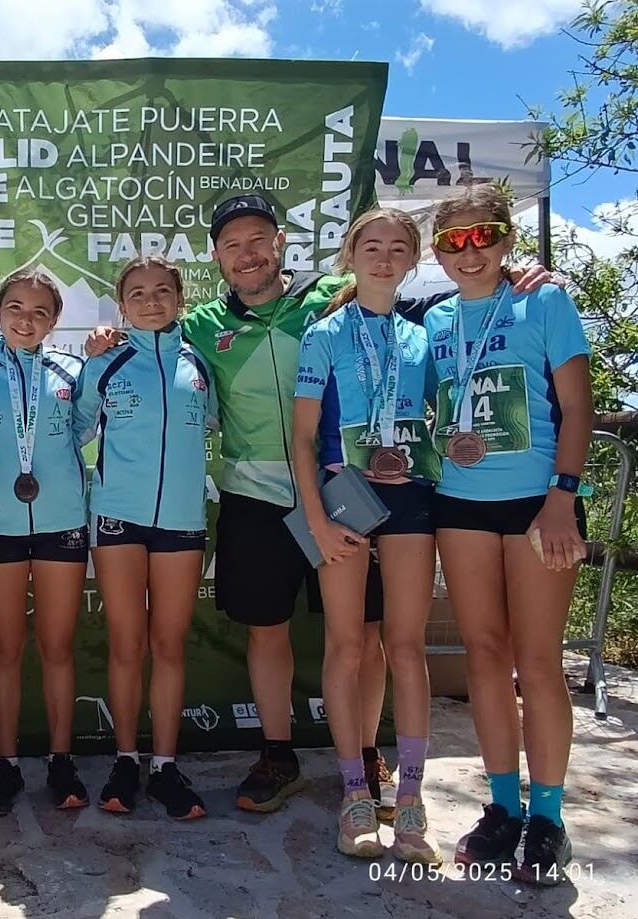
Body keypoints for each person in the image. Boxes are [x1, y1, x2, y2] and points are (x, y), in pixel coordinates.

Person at [86, 193, 556, 816]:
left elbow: (417, 303)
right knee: (267, 628)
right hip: (256, 496)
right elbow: (146, 339)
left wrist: (518, 276)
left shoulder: (330, 297)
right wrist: (104, 337)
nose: (247, 254)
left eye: (258, 240)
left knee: (365, 632)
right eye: (232, 245)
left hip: (347, 492)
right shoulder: (199, 325)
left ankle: (363, 755)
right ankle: (277, 753)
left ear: (280, 243)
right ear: (217, 257)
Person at [423, 184, 592, 886]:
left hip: (536, 504)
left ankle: (546, 817)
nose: (470, 251)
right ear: (437, 251)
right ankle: (500, 807)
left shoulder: (543, 301)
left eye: (483, 235)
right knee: (485, 657)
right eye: (452, 241)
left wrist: (561, 498)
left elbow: (579, 406)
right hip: (459, 504)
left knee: (537, 660)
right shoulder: (430, 319)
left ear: (507, 238)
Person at [292, 208, 442, 863]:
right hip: (343, 499)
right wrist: (317, 518)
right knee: (346, 644)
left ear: (412, 259)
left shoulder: (424, 335)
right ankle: (354, 792)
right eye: (370, 246)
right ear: (349, 255)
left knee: (405, 646)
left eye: (396, 248)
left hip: (411, 498)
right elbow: (299, 437)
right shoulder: (322, 334)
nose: (383, 258)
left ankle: (408, 798)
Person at [74, 256, 217, 820]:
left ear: (179, 299)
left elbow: (213, 422)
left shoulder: (198, 361)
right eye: (138, 293)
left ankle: (165, 764)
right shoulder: (105, 362)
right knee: (127, 643)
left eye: (163, 291)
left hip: (181, 519)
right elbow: (75, 428)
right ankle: (126, 758)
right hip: (116, 518)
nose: (151, 301)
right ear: (121, 304)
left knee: (168, 645)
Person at [0, 268, 91, 816]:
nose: (27, 319)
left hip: (63, 520)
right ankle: (8, 763)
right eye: (16, 307)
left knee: (58, 646)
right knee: (6, 649)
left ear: (55, 321)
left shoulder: (72, 369)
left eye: (40, 312)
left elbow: (84, 428)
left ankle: (60, 759)